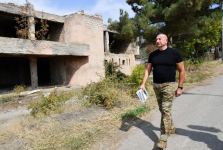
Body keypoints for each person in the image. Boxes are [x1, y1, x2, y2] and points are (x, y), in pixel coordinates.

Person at [140, 33, 185, 149]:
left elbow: (182, 71)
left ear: (166, 41)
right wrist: (143, 84)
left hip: (169, 85)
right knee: (163, 109)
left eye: (160, 39)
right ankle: (171, 127)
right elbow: (147, 70)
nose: (157, 40)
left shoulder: (174, 53)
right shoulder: (153, 55)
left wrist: (180, 87)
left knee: (165, 109)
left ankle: (163, 138)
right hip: (156, 86)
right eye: (156, 39)